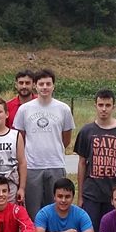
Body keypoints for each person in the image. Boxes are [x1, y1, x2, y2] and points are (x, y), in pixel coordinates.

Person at [12, 69, 74, 221]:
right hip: (33, 166)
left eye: (48, 84)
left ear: (53, 86)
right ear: (35, 86)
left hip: (55, 164)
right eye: (41, 84)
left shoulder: (63, 109)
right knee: (33, 209)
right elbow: (20, 137)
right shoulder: (24, 109)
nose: (45, 87)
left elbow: (66, 139)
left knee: (56, 206)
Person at [74, 89, 116, 232]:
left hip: (115, 193)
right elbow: (82, 163)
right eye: (101, 105)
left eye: (108, 105)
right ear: (95, 105)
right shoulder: (86, 131)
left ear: (114, 107)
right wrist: (80, 196)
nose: (104, 109)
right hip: (92, 193)